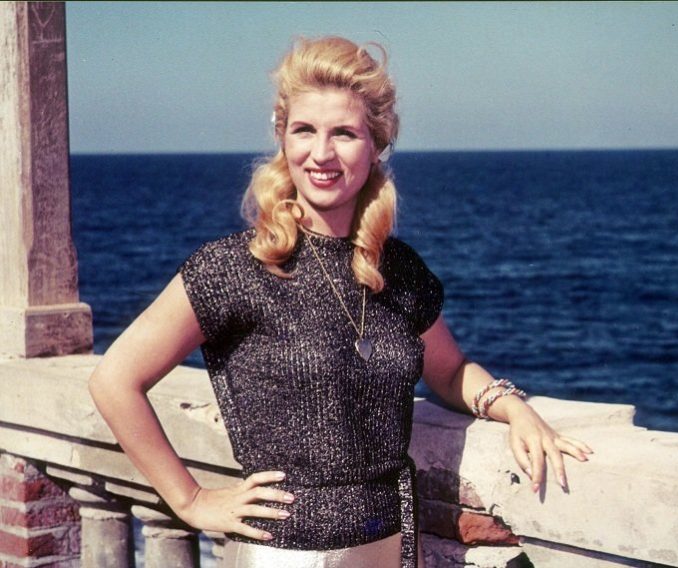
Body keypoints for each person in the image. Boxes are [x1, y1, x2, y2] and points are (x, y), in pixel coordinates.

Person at [89, 36, 592, 568]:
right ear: (282, 138)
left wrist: (513, 407)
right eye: (304, 130)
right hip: (283, 556)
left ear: (376, 145)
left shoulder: (398, 270)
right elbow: (114, 380)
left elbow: (448, 371)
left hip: (389, 546)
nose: (322, 154)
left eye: (344, 134)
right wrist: (190, 500)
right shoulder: (234, 268)